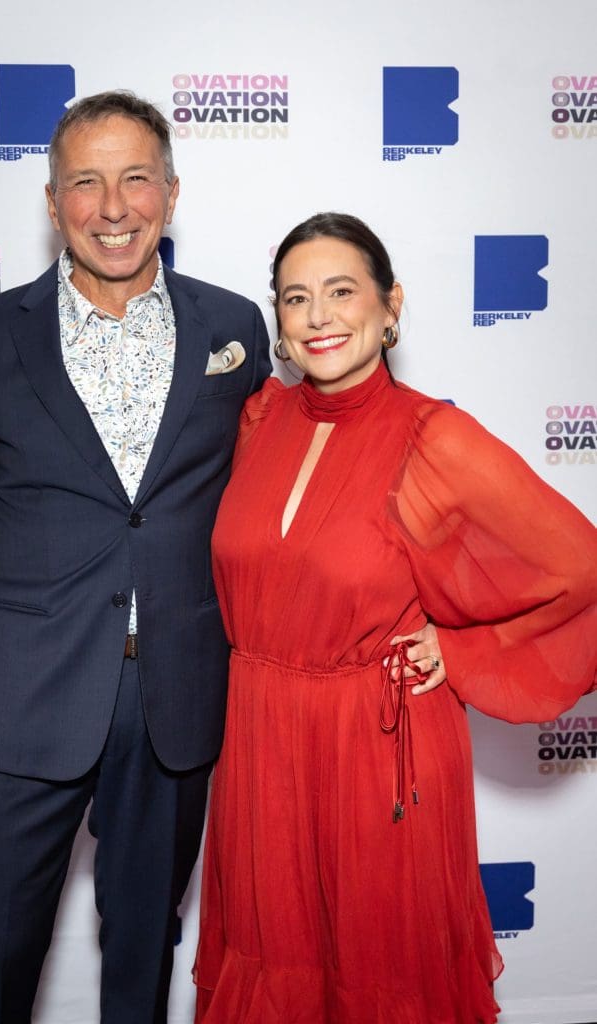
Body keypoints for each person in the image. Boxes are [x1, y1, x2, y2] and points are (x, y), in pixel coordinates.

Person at [0, 90, 271, 1023]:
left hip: (177, 698)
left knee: (144, 959)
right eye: (85, 182)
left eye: (136, 179)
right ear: (52, 202)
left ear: (171, 192)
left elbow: (275, 507)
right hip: (19, 695)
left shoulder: (235, 328)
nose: (113, 207)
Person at [193, 212, 597, 1022]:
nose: (318, 316)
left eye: (342, 291)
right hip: (262, 745)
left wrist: (464, 649)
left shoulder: (432, 437)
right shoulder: (260, 420)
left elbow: (578, 568)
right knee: (274, 963)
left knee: (382, 974)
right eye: (296, 298)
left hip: (376, 752)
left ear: (390, 306)